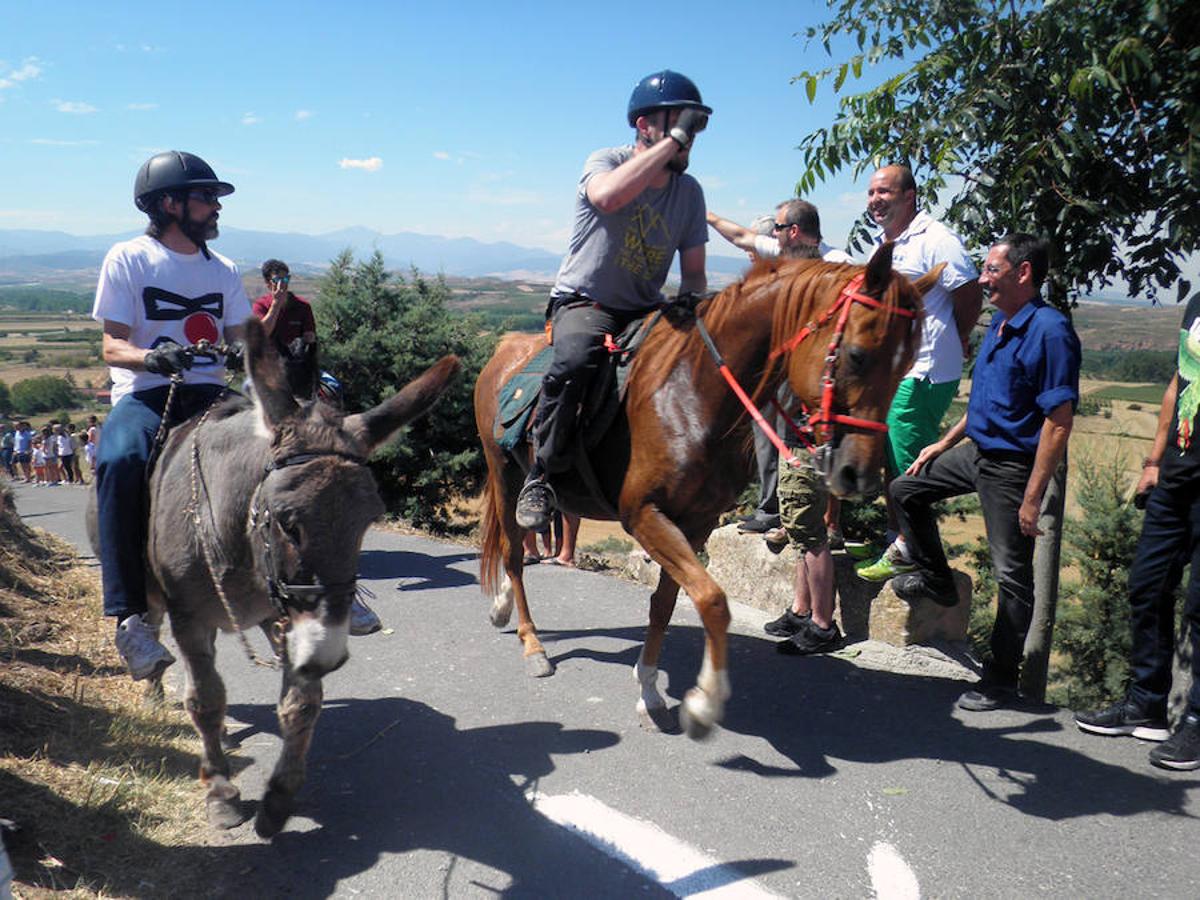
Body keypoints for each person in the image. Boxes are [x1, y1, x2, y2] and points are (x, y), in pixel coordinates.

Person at [885, 234, 1079, 711]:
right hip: (976, 452)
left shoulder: (1050, 331)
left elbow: (1058, 422)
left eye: (992, 270)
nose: (984, 279)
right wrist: (944, 441)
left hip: (1013, 467)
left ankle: (999, 680)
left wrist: (1034, 496)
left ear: (1023, 273)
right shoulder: (1000, 323)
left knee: (1012, 578)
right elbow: (985, 400)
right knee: (906, 488)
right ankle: (938, 583)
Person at [515, 70, 712, 531]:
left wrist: (690, 301)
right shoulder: (606, 160)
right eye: (677, 122)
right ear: (645, 125)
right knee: (575, 359)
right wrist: (674, 140)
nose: (689, 139)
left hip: (645, 307)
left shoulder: (690, 193)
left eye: (693, 128)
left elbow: (696, 272)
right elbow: (606, 197)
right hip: (587, 301)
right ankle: (541, 475)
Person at [92, 150, 250, 681]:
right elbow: (112, 346)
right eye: (207, 197)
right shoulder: (129, 258)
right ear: (169, 203)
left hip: (209, 395)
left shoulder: (224, 270)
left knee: (283, 447)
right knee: (118, 460)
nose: (216, 208)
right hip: (145, 393)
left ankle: (324, 587)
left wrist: (247, 355)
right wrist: (150, 356)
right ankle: (129, 617)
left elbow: (241, 340)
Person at [1074, 297, 1200, 771]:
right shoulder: (1197, 306)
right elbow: (1177, 383)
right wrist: (1153, 460)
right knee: (1146, 586)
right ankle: (1146, 704)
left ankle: (1196, 724)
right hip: (1176, 476)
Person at [854, 165, 983, 581]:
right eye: (871, 192)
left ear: (910, 195)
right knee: (891, 454)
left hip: (927, 367)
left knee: (906, 456)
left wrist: (958, 336)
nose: (875, 199)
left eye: (884, 191)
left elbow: (969, 291)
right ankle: (898, 536)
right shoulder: (886, 241)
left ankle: (913, 547)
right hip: (895, 368)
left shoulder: (937, 239)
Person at [708, 200, 855, 536]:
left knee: (802, 437)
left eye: (777, 227)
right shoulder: (784, 251)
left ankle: (800, 516)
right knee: (766, 429)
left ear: (794, 231)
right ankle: (772, 507)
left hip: (814, 367)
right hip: (781, 361)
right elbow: (741, 237)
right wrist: (707, 215)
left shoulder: (838, 263)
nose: (771, 233)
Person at [252, 259, 318, 398]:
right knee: (248, 390)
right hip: (270, 368)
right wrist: (276, 305)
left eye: (286, 278)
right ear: (268, 283)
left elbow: (310, 336)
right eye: (278, 279)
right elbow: (263, 333)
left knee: (333, 387)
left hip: (297, 367)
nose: (283, 284)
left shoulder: (303, 306)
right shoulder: (261, 306)